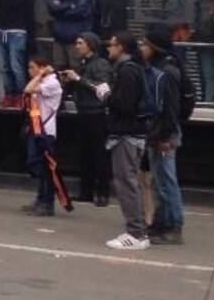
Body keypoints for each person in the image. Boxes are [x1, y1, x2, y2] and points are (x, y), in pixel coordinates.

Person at [104, 32, 150, 250]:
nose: (108, 48)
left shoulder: (127, 71)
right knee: (129, 181)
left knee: (126, 182)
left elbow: (124, 105)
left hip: (127, 133)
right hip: (133, 133)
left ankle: (136, 233)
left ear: (121, 47)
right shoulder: (134, 69)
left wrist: (105, 96)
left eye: (111, 45)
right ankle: (138, 229)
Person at [140, 23, 186, 245]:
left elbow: (169, 108)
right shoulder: (156, 68)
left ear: (154, 47)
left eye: (145, 44)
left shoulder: (166, 71)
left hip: (164, 131)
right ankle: (161, 221)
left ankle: (173, 224)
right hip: (157, 129)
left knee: (166, 179)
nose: (142, 47)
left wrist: (164, 136)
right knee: (158, 179)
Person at [61, 33, 113, 206]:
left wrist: (78, 79)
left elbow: (101, 88)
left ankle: (102, 193)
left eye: (80, 43)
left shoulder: (100, 64)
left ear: (90, 45)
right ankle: (86, 191)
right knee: (84, 154)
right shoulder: (83, 64)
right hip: (83, 112)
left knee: (99, 155)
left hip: (96, 114)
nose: (76, 46)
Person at [22, 57, 63, 216]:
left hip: (46, 131)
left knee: (44, 168)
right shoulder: (43, 82)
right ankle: (41, 199)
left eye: (33, 67)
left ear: (42, 68)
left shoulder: (51, 83)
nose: (30, 71)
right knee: (35, 163)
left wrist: (40, 75)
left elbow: (28, 89)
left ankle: (47, 203)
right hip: (36, 128)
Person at [46, 0, 93, 71]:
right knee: (58, 69)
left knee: (76, 69)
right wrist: (69, 5)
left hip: (76, 38)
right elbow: (51, 7)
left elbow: (80, 11)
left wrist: (60, 9)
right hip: (59, 37)